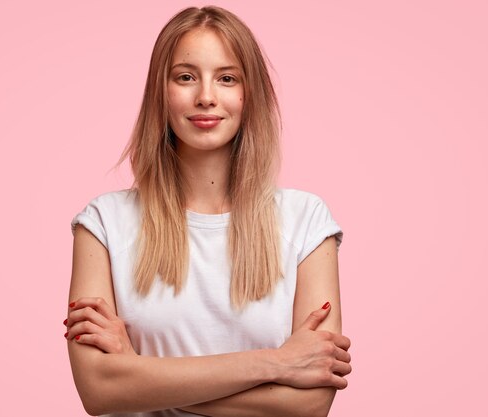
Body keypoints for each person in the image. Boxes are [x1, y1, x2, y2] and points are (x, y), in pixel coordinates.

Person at [64, 6, 352, 417]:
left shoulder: (306, 221)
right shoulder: (103, 225)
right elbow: (99, 391)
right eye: (185, 76)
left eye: (227, 78)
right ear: (160, 92)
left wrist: (140, 374)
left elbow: (309, 405)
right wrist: (278, 363)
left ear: (247, 94)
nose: (205, 96)